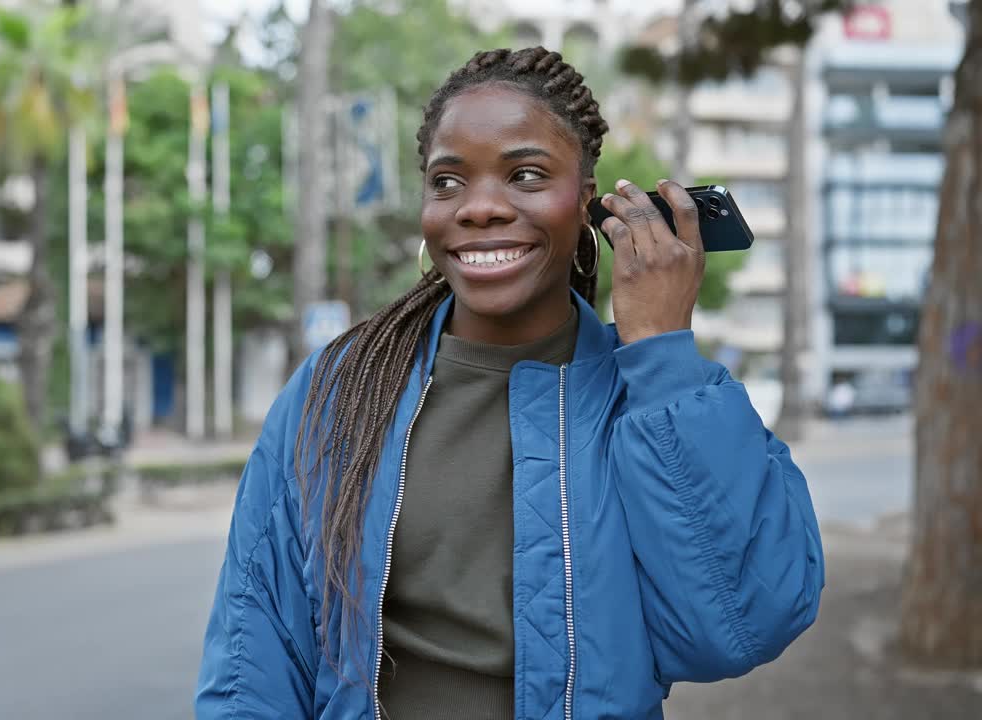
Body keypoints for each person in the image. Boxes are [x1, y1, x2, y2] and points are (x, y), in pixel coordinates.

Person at [196, 47, 824, 719]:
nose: (480, 208)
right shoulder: (338, 392)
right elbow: (253, 654)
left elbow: (737, 628)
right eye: (447, 182)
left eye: (525, 175)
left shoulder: (645, 399)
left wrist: (662, 353)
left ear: (586, 199)